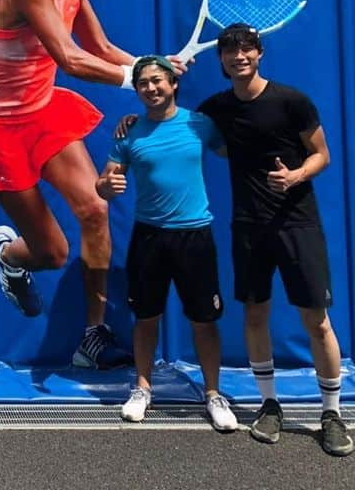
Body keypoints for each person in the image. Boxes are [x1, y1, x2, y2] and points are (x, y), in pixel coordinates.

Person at [0, 0, 185, 368]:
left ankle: (91, 338)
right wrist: (137, 79)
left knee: (95, 210)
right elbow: (71, 59)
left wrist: (149, 64)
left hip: (41, 111)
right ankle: (11, 257)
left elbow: (98, 45)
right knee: (52, 253)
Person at [197, 23, 354, 456]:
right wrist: (135, 118)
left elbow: (321, 153)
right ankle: (270, 405)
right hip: (249, 228)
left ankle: (332, 413)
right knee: (254, 315)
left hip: (297, 224)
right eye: (230, 51)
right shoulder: (216, 108)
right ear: (222, 60)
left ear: (260, 53)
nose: (238, 56)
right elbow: (174, 120)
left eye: (247, 49)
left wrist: (297, 175)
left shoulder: (292, 101)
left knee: (316, 320)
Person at [96, 56, 237, 431]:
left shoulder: (199, 123)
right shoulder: (128, 132)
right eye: (143, 83)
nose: (151, 88)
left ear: (173, 84)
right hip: (149, 237)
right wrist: (107, 187)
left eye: (157, 81)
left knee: (204, 321)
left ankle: (212, 394)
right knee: (146, 319)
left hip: (195, 236)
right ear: (137, 90)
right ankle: (142, 389)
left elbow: (234, 150)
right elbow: (104, 183)